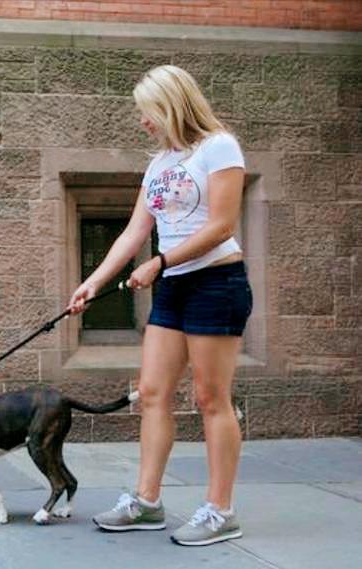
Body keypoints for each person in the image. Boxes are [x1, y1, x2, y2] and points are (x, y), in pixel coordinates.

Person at [67, 65, 252, 546]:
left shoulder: (219, 147)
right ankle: (147, 502)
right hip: (174, 288)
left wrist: (161, 262)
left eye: (147, 111)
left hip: (216, 283)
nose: (143, 121)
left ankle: (221, 510)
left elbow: (222, 225)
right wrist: (92, 282)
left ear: (171, 105)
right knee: (151, 392)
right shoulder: (159, 164)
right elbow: (134, 232)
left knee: (211, 398)